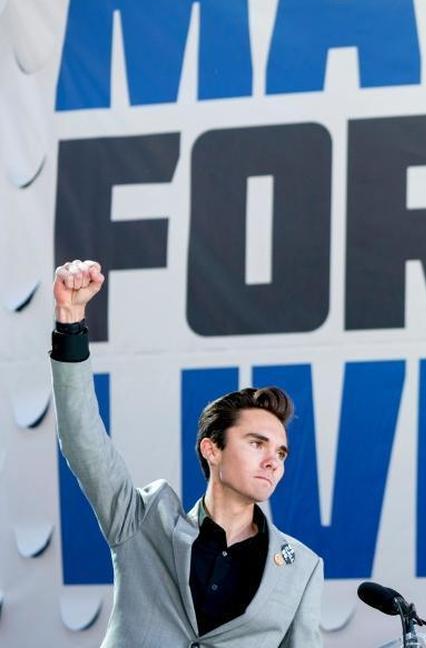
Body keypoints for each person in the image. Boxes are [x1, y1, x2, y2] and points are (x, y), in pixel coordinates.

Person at [51, 259, 323, 646]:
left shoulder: (301, 568)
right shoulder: (143, 521)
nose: (273, 461)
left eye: (281, 452)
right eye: (256, 443)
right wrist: (70, 320)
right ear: (211, 449)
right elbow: (82, 439)